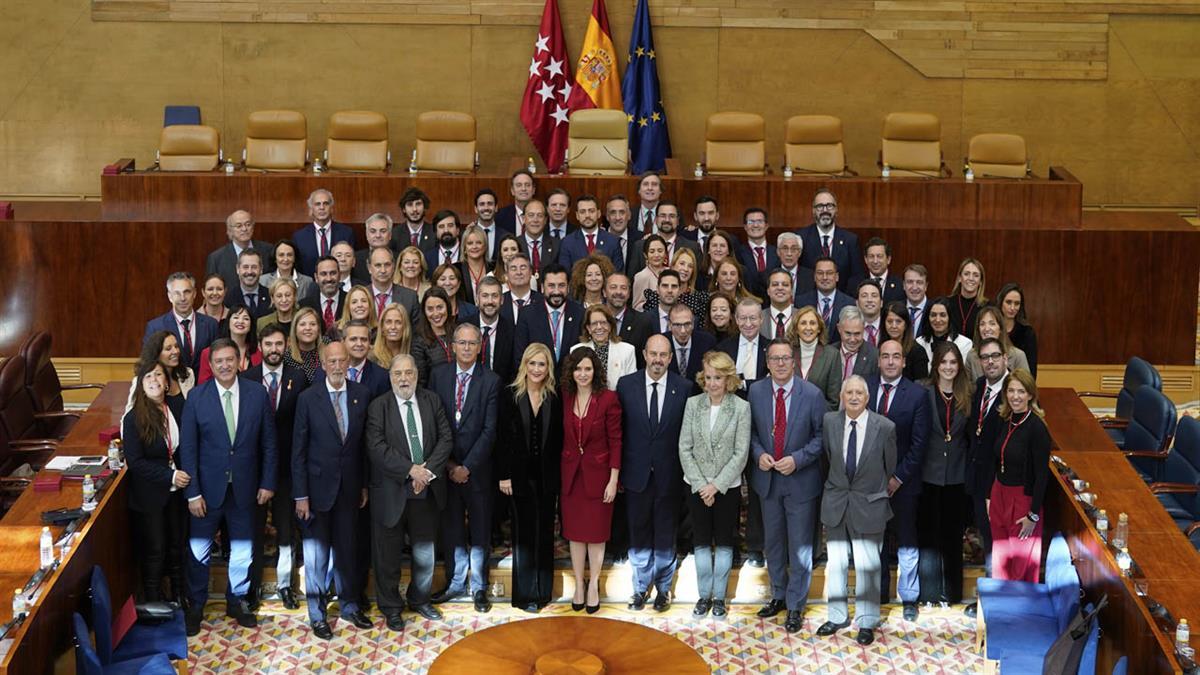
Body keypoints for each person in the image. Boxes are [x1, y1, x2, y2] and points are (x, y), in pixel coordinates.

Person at [179, 339, 277, 636]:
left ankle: (238, 601)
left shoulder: (257, 394)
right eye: (218, 361)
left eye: (229, 360)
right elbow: (189, 449)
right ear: (210, 365)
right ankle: (195, 606)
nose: (224, 365)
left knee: (243, 551)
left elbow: (269, 443)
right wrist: (192, 492)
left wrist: (268, 482)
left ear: (239, 362)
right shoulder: (196, 398)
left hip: (246, 489)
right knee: (199, 551)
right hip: (206, 493)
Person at [366, 353, 453, 631]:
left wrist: (425, 472)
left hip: (426, 488)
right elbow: (376, 447)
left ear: (417, 375)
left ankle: (420, 599)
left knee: (425, 553)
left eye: (409, 373)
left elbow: (445, 438)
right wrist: (410, 470)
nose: (404, 379)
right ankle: (391, 607)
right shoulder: (378, 406)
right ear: (390, 377)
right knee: (387, 555)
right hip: (392, 491)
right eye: (398, 374)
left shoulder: (431, 400)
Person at [291, 340, 371, 639]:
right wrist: (301, 495)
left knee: (347, 551)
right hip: (315, 492)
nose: (337, 366)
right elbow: (297, 451)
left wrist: (363, 484)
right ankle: (317, 614)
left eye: (342, 361)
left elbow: (362, 447)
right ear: (323, 364)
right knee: (316, 557)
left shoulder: (361, 395)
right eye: (332, 361)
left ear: (348, 362)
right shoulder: (308, 398)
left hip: (350, 490)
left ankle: (349, 606)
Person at [749, 340, 826, 634]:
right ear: (767, 363)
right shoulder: (756, 391)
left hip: (800, 481)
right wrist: (759, 454)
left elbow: (821, 438)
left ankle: (796, 605)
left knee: (800, 547)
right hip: (768, 481)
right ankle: (778, 595)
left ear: (794, 362)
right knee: (774, 544)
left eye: (785, 359)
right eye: (774, 359)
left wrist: (798, 459)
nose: (780, 364)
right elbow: (752, 433)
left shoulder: (812, 394)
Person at [817, 375, 897, 646]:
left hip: (870, 505)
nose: (853, 397)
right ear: (842, 396)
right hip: (837, 501)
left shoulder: (885, 427)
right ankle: (837, 615)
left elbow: (890, 466)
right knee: (836, 563)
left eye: (858, 393)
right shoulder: (830, 422)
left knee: (868, 567)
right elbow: (829, 457)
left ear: (867, 397)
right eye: (848, 392)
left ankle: (866, 621)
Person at [615, 334, 689, 612]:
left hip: (670, 474)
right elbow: (619, 432)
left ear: (671, 358)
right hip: (636, 473)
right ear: (644, 354)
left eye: (663, 355)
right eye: (653, 354)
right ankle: (639, 587)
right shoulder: (626, 385)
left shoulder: (684, 387)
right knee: (639, 530)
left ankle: (663, 588)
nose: (658, 360)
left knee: (665, 532)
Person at [430, 324, 501, 613]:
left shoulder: (492, 381)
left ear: (479, 347)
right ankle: (456, 581)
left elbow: (490, 430)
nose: (468, 348)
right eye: (462, 342)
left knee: (481, 530)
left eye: (473, 343)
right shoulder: (438, 375)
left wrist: (467, 466)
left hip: (478, 469)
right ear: (453, 345)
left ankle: (479, 587)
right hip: (446, 467)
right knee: (452, 528)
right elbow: (434, 423)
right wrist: (449, 465)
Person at [678, 351, 750, 618]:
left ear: (728, 378)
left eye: (717, 377)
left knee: (723, 541)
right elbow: (684, 447)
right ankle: (703, 595)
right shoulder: (693, 404)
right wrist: (701, 484)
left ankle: (719, 596)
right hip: (696, 486)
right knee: (700, 540)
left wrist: (716, 485)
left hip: (725, 487)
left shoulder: (741, 407)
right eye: (708, 377)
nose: (712, 383)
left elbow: (740, 453)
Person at [243, 324, 308, 610]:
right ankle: (251, 587)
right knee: (253, 530)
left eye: (279, 344)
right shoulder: (247, 378)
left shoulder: (298, 377)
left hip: (287, 468)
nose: (274, 349)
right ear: (260, 346)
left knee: (285, 530)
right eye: (268, 344)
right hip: (254, 468)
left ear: (286, 346)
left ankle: (285, 586)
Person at [868, 339, 929, 621]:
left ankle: (909, 598)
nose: (890, 362)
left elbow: (919, 444)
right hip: (869, 484)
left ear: (904, 361)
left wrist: (898, 477)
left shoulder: (917, 394)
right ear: (878, 360)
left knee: (907, 541)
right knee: (875, 540)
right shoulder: (865, 388)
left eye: (896, 357)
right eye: (885, 356)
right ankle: (878, 593)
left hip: (904, 484)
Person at [498, 344, 562, 612]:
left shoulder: (554, 398)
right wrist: (504, 476)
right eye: (533, 363)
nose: (537, 369)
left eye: (542, 364)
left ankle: (542, 592)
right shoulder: (510, 395)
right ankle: (525, 595)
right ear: (525, 365)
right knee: (523, 536)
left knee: (544, 533)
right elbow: (501, 439)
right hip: (519, 478)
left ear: (549, 368)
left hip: (547, 478)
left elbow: (558, 441)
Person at [560, 347, 623, 613]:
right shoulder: (564, 396)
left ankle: (594, 584)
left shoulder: (608, 399)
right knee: (575, 535)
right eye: (578, 369)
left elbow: (617, 442)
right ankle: (578, 585)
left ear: (595, 371)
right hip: (571, 476)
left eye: (587, 369)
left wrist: (613, 480)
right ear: (571, 372)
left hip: (599, 478)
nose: (582, 374)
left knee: (596, 535)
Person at [124, 362, 191, 604]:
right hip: (150, 496)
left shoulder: (176, 407)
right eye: (148, 376)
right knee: (155, 551)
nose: (154, 380)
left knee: (177, 546)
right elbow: (135, 462)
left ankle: (179, 595)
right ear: (141, 384)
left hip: (177, 493)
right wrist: (170, 475)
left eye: (158, 375)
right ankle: (153, 603)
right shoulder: (133, 418)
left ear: (166, 381)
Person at [918, 341, 972, 606]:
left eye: (953, 362)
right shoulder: (923, 391)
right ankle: (928, 594)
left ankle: (951, 593)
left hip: (957, 475)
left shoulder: (968, 393)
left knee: (952, 536)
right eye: (944, 362)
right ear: (935, 364)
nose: (949, 367)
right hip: (928, 473)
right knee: (928, 536)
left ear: (959, 365)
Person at [989, 369, 1049, 583]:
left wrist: (1033, 515)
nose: (1015, 396)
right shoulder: (1004, 419)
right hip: (999, 494)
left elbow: (1042, 475)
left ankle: (1020, 613)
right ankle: (1001, 610)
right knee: (1001, 557)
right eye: (1011, 391)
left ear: (1031, 395)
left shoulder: (1037, 428)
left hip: (1023, 500)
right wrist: (991, 496)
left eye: (1021, 391)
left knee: (1020, 563)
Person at [963, 337, 1008, 618]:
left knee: (997, 544)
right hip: (978, 479)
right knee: (986, 539)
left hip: (999, 484)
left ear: (1005, 358)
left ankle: (994, 602)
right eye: (985, 357)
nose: (990, 362)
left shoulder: (1013, 392)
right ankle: (987, 598)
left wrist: (995, 489)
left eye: (995, 356)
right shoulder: (979, 387)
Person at [513, 264, 584, 371]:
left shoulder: (579, 313)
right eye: (551, 285)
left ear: (568, 287)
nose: (556, 291)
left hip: (570, 385)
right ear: (542, 288)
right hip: (538, 383)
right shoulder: (527, 315)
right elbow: (520, 357)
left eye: (561, 285)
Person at [145, 271, 219, 371]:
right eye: (177, 293)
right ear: (170, 296)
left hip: (204, 385)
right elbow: (149, 364)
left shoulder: (211, 325)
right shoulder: (155, 327)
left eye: (187, 292)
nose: (182, 298)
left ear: (194, 294)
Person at [797, 188, 864, 290]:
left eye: (829, 206)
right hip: (809, 301)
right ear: (813, 211)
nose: (825, 210)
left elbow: (856, 276)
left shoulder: (850, 240)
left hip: (841, 301)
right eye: (820, 206)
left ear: (836, 210)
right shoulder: (801, 237)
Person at [786, 305, 841, 411]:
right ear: (796, 329)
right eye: (803, 323)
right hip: (789, 415)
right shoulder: (788, 353)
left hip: (818, 419)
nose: (808, 328)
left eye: (812, 323)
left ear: (819, 328)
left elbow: (833, 402)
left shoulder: (832, 355)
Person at [205, 209, 274, 293]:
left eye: (248, 224)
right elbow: (211, 289)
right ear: (230, 230)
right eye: (239, 226)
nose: (244, 229)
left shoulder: (268, 250)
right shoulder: (216, 258)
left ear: (253, 227)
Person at [128, 331, 195, 414]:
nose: (175, 351)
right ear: (156, 353)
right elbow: (129, 414)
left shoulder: (188, 374)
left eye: (176, 346)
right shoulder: (143, 379)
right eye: (168, 348)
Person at [293, 189, 355, 275]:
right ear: (311, 209)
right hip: (310, 285)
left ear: (331, 208)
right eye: (317, 204)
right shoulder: (299, 237)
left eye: (326, 203)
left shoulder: (346, 233)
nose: (322, 207)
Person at [572, 305, 637, 386]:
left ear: (610, 326)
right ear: (588, 328)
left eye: (603, 323)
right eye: (594, 323)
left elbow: (631, 385)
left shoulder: (627, 350)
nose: (599, 327)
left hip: (619, 398)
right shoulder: (576, 350)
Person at [559, 195, 624, 273]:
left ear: (599, 213)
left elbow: (617, 274)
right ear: (577, 215)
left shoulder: (613, 241)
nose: (587, 215)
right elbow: (565, 275)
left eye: (591, 211)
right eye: (582, 212)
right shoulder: (567, 242)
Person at [197, 305, 262, 383]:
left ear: (251, 325)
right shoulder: (209, 352)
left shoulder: (259, 352)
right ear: (228, 322)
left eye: (246, 319)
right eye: (236, 317)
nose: (241, 321)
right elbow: (204, 386)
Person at [470, 277, 516, 386]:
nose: (490, 301)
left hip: (500, 393)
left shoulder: (513, 330)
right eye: (485, 296)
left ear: (502, 300)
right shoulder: (464, 326)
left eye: (495, 296)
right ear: (477, 299)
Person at [718, 298, 768, 396]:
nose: (748, 324)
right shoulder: (723, 348)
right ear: (736, 319)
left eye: (753, 318)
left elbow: (771, 380)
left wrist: (741, 384)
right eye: (743, 318)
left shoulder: (771, 348)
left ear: (761, 319)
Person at [964, 305, 1031, 380]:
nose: (986, 328)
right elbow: (967, 388)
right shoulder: (972, 355)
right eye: (982, 324)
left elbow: (1026, 387)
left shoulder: (1018, 356)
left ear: (1000, 329)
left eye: (992, 323)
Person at [605, 273, 655, 363]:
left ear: (629, 294)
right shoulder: (594, 319)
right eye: (613, 287)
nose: (619, 292)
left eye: (623, 288)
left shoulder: (642, 322)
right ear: (604, 292)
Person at [412, 288, 456, 387]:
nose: (436, 314)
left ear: (448, 307)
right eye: (430, 309)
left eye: (440, 307)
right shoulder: (418, 341)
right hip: (434, 396)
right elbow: (421, 381)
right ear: (424, 311)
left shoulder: (458, 332)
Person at [796, 257, 856, 329]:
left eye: (829, 273)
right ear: (814, 277)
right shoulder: (801, 302)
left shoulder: (849, 303)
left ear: (837, 277)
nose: (824, 277)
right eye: (820, 273)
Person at [367, 246, 420, 323]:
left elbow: (417, 332)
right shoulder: (360, 295)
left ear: (394, 266)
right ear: (369, 268)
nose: (383, 270)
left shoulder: (410, 297)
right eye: (378, 265)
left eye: (387, 265)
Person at [734, 207, 779, 297]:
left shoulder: (777, 252)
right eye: (751, 222)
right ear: (745, 227)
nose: (755, 225)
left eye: (759, 221)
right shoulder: (737, 253)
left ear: (766, 226)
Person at [995, 282, 1038, 377]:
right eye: (1008, 302)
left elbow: (1031, 372)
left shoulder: (1027, 332)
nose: (1012, 308)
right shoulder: (992, 329)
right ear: (1001, 302)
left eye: (1017, 303)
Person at [917, 297, 974, 365]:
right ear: (928, 318)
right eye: (933, 315)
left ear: (950, 318)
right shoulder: (919, 343)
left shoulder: (965, 344)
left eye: (943, 315)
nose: (937, 319)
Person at [668, 304, 716, 384]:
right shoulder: (661, 343)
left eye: (687, 324)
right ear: (669, 325)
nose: (683, 331)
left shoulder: (707, 342)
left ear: (693, 324)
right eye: (677, 325)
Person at [848, 237, 904, 305]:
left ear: (888, 259)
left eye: (879, 256)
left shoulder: (900, 285)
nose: (875, 261)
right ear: (866, 260)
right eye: (871, 256)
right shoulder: (854, 284)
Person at [342, 320, 391, 398]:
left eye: (364, 339)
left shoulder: (382, 377)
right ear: (343, 342)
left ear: (369, 343)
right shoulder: (327, 372)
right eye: (353, 339)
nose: (359, 344)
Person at [883, 301, 929, 382]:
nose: (894, 326)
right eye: (890, 321)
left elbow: (921, 387)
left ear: (906, 324)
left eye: (898, 321)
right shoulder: (880, 347)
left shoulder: (917, 351)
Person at [831, 306, 880, 381]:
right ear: (839, 329)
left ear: (863, 329)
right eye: (848, 333)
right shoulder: (828, 353)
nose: (852, 339)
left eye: (857, 334)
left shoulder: (874, 356)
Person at [300, 256, 347, 335]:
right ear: (316, 278)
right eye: (323, 274)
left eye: (333, 273)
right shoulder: (304, 305)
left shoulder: (350, 301)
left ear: (339, 275)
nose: (329, 279)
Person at [261, 239, 315, 303]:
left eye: (289, 255)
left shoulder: (307, 282)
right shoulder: (263, 281)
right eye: (281, 255)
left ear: (294, 258)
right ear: (275, 258)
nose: (285, 259)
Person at [516, 199, 560, 278]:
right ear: (523, 219)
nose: (535, 220)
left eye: (539, 216)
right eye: (531, 215)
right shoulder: (515, 244)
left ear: (545, 220)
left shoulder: (557, 244)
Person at [947, 257, 989, 338]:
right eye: (966, 274)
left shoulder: (988, 307)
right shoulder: (947, 304)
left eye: (976, 275)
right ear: (959, 278)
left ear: (980, 281)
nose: (971, 278)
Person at [225, 249, 271, 321]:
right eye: (245, 267)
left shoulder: (271, 296)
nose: (249, 272)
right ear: (237, 269)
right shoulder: (228, 298)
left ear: (261, 269)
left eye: (254, 267)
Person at [353, 213, 397, 286]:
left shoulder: (399, 259)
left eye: (383, 231)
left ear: (390, 235)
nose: (378, 235)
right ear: (366, 234)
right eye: (373, 231)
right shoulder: (355, 259)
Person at [502, 253, 542, 325]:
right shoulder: (499, 302)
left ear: (530, 273)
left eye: (523, 268)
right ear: (507, 275)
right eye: (513, 268)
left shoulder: (542, 301)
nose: (519, 272)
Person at [285, 307, 324, 381]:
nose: (308, 328)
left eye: (312, 324)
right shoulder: (287, 358)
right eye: (302, 324)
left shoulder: (328, 349)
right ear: (295, 329)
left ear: (318, 328)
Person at [630, 235, 667, 311]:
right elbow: (636, 306)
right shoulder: (641, 276)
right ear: (645, 255)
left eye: (660, 251)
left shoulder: (671, 272)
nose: (656, 255)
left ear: (665, 253)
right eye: (652, 251)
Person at [761, 269, 799, 341]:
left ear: (791, 291)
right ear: (768, 291)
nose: (780, 288)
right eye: (775, 284)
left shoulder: (801, 316)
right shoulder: (759, 317)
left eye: (785, 285)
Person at [392, 187, 435, 251]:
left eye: (418, 204)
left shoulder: (434, 232)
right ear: (404, 209)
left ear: (425, 207)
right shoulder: (394, 234)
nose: (414, 209)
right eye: (410, 205)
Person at [775, 232, 815, 300]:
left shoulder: (811, 276)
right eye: (785, 248)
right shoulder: (767, 276)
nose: (789, 253)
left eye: (794, 249)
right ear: (778, 252)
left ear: (799, 253)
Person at [371, 304, 412, 369]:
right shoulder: (371, 356)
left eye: (398, 322)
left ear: (405, 327)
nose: (393, 327)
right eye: (388, 322)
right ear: (382, 327)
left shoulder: (414, 354)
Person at [458, 225, 491, 304]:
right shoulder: (456, 269)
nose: (474, 246)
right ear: (464, 248)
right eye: (470, 243)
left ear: (485, 246)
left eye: (479, 243)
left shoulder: (494, 267)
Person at [496, 170, 536, 234]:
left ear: (533, 190)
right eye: (519, 185)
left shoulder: (544, 215)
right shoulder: (500, 216)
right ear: (512, 191)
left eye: (527, 185)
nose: (523, 189)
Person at [603, 195, 636, 269]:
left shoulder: (640, 239)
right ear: (607, 217)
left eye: (622, 212)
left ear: (629, 215)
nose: (617, 217)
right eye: (613, 212)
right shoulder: (598, 239)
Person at [470, 189, 502, 262]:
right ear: (476, 209)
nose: (486, 208)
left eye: (490, 204)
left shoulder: (505, 235)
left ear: (496, 208)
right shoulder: (467, 234)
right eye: (482, 204)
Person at [903, 264, 932, 339]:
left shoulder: (933, 309)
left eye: (919, 282)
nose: (914, 287)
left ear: (926, 286)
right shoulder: (896, 309)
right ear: (903, 285)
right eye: (910, 282)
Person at [856, 279, 884, 348]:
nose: (869, 300)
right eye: (864, 296)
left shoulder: (888, 327)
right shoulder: (851, 328)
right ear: (857, 303)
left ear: (881, 303)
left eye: (874, 296)